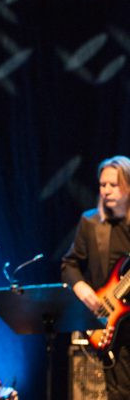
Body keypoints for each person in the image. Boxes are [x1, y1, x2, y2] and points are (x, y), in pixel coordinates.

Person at [61, 155, 130, 400]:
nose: (107, 190)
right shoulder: (91, 222)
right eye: (103, 185)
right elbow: (69, 264)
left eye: (114, 184)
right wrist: (82, 289)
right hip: (111, 325)